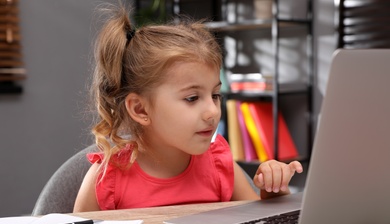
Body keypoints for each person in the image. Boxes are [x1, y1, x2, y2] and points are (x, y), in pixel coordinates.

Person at [73, 4, 303, 213]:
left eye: (215, 95)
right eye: (192, 98)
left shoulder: (219, 164)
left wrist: (274, 193)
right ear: (140, 110)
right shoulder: (106, 179)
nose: (213, 111)